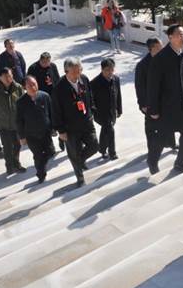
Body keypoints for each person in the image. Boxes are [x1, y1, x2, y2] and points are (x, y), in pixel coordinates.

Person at [146, 24, 183, 175]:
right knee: (162, 137)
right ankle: (152, 160)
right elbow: (153, 86)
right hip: (166, 107)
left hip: (182, 105)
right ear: (170, 37)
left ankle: (180, 164)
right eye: (179, 34)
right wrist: (153, 110)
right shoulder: (160, 58)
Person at [52, 58, 98, 187]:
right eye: (74, 72)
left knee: (94, 145)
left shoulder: (84, 79)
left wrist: (92, 109)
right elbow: (56, 111)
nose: (77, 75)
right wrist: (61, 130)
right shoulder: (59, 88)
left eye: (79, 71)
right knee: (74, 153)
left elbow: (90, 95)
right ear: (66, 72)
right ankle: (80, 177)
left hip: (86, 121)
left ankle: (80, 161)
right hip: (70, 127)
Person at [134, 37, 177, 153]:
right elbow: (139, 87)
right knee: (151, 128)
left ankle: (171, 143)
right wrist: (142, 104)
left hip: (165, 100)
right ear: (152, 49)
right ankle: (152, 150)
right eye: (159, 47)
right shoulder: (142, 65)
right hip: (150, 103)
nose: (162, 49)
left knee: (168, 122)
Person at [0, 67, 26, 175]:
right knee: (7, 147)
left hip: (16, 123)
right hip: (3, 125)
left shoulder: (18, 88)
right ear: (0, 78)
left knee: (17, 145)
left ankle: (16, 164)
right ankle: (9, 166)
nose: (9, 78)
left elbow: (24, 103)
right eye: (6, 77)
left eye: (10, 76)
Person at [17, 76, 56, 183]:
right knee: (38, 155)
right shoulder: (21, 102)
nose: (33, 87)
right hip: (31, 135)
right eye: (30, 85)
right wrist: (22, 137)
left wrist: (54, 128)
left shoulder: (45, 96)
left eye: (35, 84)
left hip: (46, 132)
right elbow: (19, 121)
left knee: (50, 152)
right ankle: (41, 174)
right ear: (24, 87)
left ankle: (41, 166)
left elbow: (51, 113)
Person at [27, 52, 64, 151]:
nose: (46, 64)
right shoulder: (33, 68)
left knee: (58, 117)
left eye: (48, 62)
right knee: (46, 119)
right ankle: (50, 144)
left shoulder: (52, 66)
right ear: (40, 60)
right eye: (44, 62)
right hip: (41, 97)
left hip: (54, 96)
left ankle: (61, 138)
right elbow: (29, 84)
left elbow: (57, 78)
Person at [90, 58, 122, 161]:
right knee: (110, 130)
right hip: (101, 113)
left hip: (112, 111)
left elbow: (118, 95)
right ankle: (112, 153)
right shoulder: (94, 83)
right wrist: (93, 112)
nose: (110, 72)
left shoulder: (116, 79)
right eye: (107, 70)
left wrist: (119, 109)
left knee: (106, 130)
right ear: (102, 69)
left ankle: (102, 149)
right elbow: (90, 100)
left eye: (112, 69)